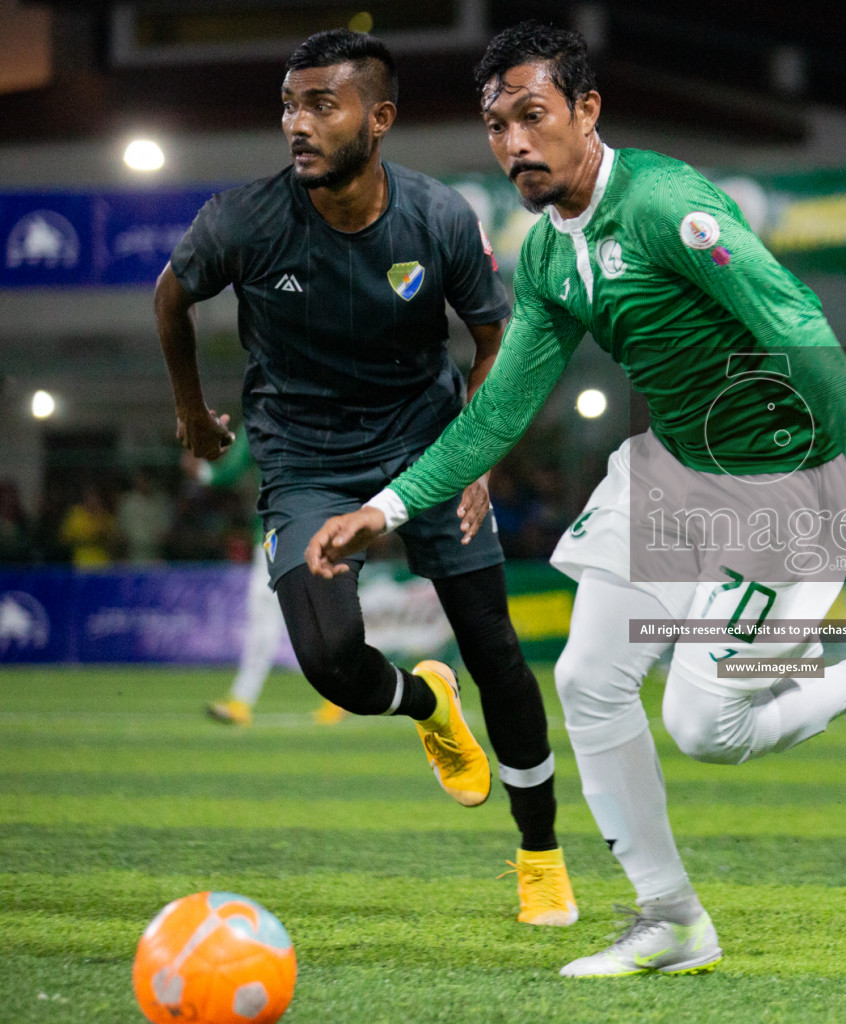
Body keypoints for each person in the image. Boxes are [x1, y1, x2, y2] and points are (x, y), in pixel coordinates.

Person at [306, 22, 846, 978]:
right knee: (587, 680)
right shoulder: (544, 256)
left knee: (707, 730)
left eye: (533, 115)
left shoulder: (664, 207)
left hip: (786, 492)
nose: (515, 143)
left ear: (586, 110)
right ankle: (671, 919)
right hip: (669, 477)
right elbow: (498, 415)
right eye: (497, 125)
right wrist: (389, 506)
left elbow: (796, 317)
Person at [153, 29, 576, 926]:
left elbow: (494, 339)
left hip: (427, 451)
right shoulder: (243, 220)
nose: (296, 125)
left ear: (378, 119)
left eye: (320, 105)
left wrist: (476, 454)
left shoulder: (438, 219)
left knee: (496, 649)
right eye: (288, 106)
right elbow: (171, 296)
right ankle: (426, 701)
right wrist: (191, 412)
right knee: (334, 666)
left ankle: (541, 853)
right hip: (303, 462)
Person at [195, 429, 346, 727]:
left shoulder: (260, 419)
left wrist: (200, 469)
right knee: (315, 615)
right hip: (313, 526)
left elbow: (227, 473)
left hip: (278, 532)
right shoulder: (318, 414)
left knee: (276, 617)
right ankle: (245, 699)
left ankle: (244, 700)